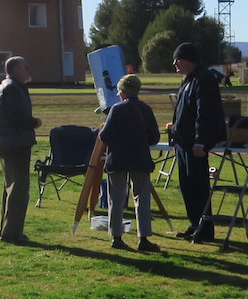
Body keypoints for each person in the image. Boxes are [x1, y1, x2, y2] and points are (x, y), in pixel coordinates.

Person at [167, 41, 227, 242]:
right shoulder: (187, 79)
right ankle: (194, 224)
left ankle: (205, 228)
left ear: (189, 60)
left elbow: (205, 113)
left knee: (199, 186)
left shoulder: (204, 79)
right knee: (187, 185)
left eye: (178, 59)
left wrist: (201, 141)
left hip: (195, 144)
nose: (174, 63)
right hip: (183, 142)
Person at [97, 73, 160, 253]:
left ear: (123, 91)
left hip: (118, 159)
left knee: (116, 199)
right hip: (140, 158)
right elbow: (154, 138)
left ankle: (116, 237)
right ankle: (144, 238)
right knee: (142, 199)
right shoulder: (145, 109)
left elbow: (104, 136)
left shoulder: (116, 109)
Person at [0, 55, 40, 243]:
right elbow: (17, 117)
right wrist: (34, 122)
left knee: (11, 187)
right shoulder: (13, 88)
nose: (28, 70)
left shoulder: (9, 86)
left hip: (9, 142)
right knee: (18, 189)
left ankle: (7, 230)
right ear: (15, 70)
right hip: (15, 143)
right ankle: (12, 233)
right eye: (25, 67)